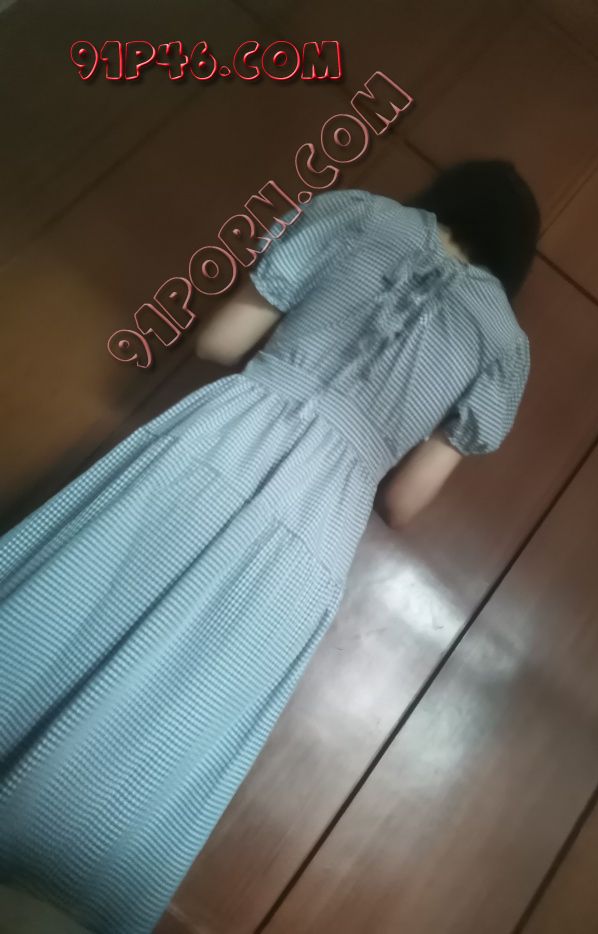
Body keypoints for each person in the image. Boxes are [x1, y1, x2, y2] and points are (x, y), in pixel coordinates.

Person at [0, 160, 539, 933]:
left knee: (69, 602)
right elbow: (403, 502)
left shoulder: (354, 213)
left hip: (218, 442)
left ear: (446, 195)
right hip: (316, 529)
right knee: (181, 703)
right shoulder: (505, 347)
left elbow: (221, 341)